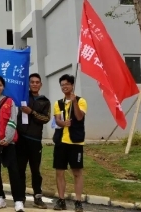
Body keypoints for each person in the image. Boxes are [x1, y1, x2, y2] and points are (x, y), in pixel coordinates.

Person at [0, 76, 25, 212]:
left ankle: (18, 200)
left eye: (0, 85)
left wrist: (7, 139)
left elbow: (13, 120)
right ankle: (0, 196)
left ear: (3, 87)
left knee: (13, 171)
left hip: (8, 143)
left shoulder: (10, 101)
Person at [53, 74, 87, 212]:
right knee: (59, 172)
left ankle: (78, 201)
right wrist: (63, 123)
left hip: (75, 142)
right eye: (62, 85)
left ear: (72, 85)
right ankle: (61, 200)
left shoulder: (81, 101)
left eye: (67, 84)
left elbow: (79, 117)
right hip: (61, 142)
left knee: (77, 172)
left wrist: (74, 102)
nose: (64, 87)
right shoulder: (58, 103)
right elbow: (57, 120)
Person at [16, 73, 51, 209]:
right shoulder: (22, 97)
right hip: (21, 139)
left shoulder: (45, 101)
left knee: (35, 171)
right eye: (32, 82)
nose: (35, 84)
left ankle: (38, 197)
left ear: (41, 84)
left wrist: (31, 112)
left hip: (35, 141)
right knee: (20, 170)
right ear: (28, 84)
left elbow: (46, 119)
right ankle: (21, 197)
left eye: (37, 82)